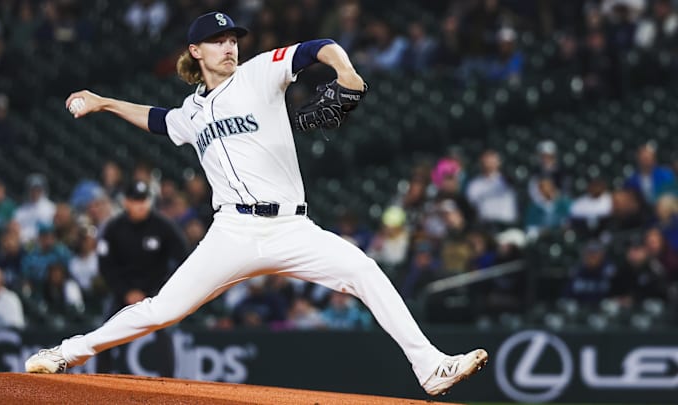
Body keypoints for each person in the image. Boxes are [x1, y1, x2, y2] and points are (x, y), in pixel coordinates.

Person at [25, 12, 487, 396]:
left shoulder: (259, 72)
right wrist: (103, 102)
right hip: (233, 233)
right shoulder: (192, 111)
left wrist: (345, 72)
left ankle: (430, 367)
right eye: (217, 41)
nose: (229, 47)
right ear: (195, 52)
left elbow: (318, 47)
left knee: (364, 271)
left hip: (292, 228)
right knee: (163, 310)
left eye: (232, 39)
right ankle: (64, 353)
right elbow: (159, 120)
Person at [94, 179, 189, 376]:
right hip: (124, 292)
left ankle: (168, 386)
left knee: (164, 333)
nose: (140, 204)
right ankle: (100, 383)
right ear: (126, 202)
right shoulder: (114, 228)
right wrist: (126, 291)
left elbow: (184, 258)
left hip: (155, 292)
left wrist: (165, 289)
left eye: (143, 199)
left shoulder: (163, 226)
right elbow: (106, 266)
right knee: (104, 334)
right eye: (135, 200)